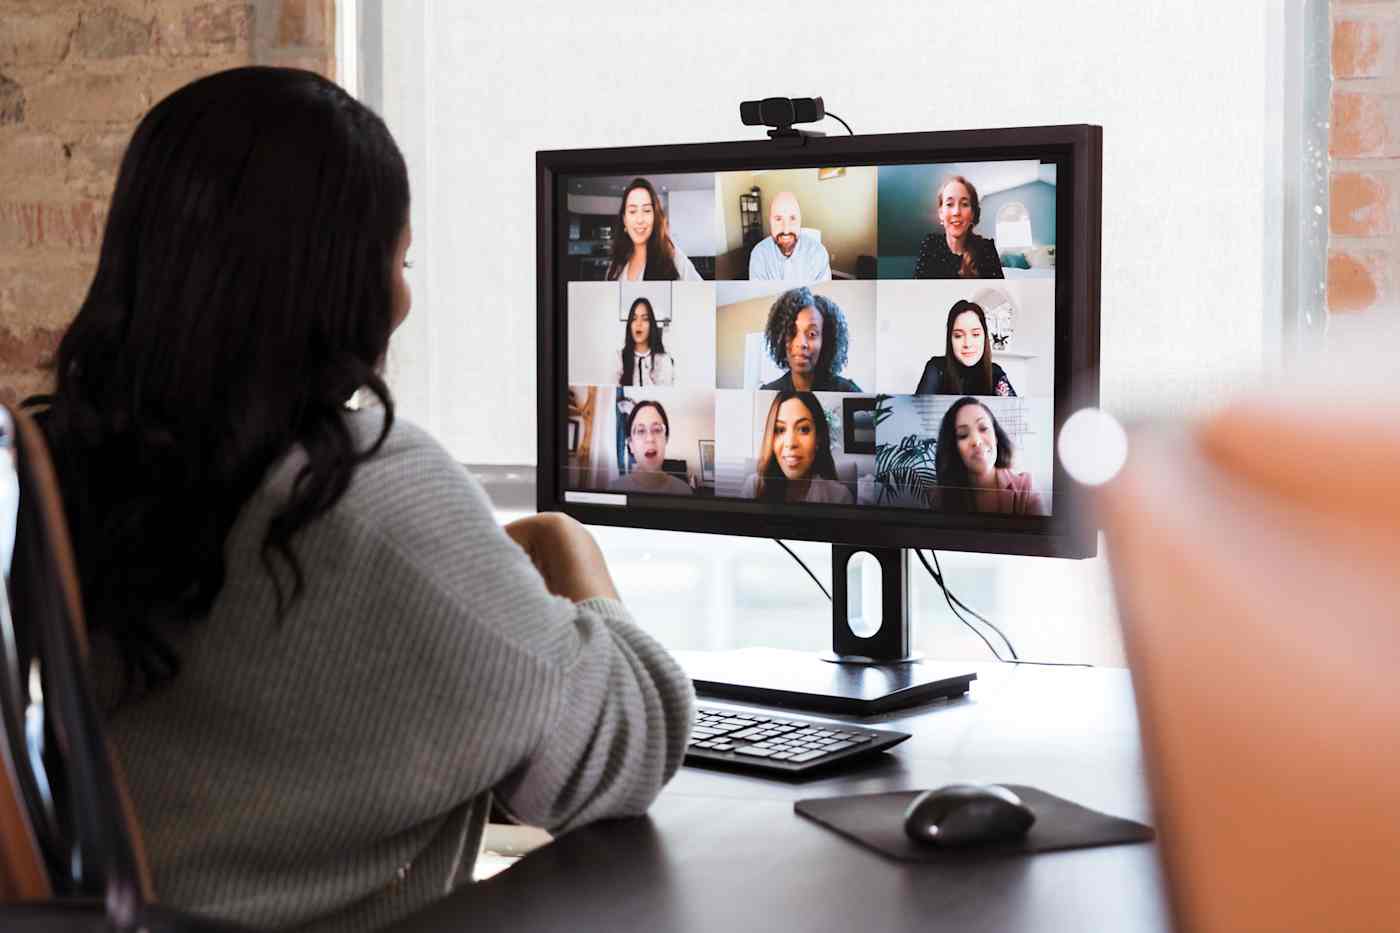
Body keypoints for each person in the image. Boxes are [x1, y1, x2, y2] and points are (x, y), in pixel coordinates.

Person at [24, 67, 693, 933]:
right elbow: (627, 743)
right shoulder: (366, 486)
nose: (406, 297)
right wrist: (570, 552)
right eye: (399, 259)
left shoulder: (70, 465)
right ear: (339, 279)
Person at [931, 397, 1046, 515]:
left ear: (996, 436)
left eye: (983, 428)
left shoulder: (1025, 488)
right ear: (953, 448)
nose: (976, 441)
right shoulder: (940, 496)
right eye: (963, 435)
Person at [740, 389, 853, 504]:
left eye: (803, 429)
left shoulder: (840, 497)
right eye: (780, 430)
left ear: (818, 438)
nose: (790, 443)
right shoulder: (754, 487)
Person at [758, 286, 862, 392]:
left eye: (812, 334)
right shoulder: (767, 393)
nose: (801, 343)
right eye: (792, 332)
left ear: (825, 340)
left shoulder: (849, 393)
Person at [605, 177, 702, 282]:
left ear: (655, 217)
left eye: (646, 210)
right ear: (624, 220)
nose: (640, 220)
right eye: (632, 211)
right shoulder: (616, 265)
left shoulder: (673, 258)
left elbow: (703, 295)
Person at [914, 299, 1017, 396]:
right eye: (958, 336)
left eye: (975, 334)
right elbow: (917, 412)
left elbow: (1015, 410)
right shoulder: (936, 368)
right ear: (950, 339)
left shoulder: (995, 373)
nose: (967, 344)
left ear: (985, 336)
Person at [913, 175, 1004, 279]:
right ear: (941, 213)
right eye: (949, 204)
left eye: (964, 204)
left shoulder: (987, 249)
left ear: (972, 214)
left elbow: (997, 293)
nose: (956, 212)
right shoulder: (930, 244)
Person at [610, 400, 693, 495]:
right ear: (631, 445)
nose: (650, 439)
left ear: (666, 439)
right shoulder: (614, 489)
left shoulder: (684, 491)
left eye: (657, 430)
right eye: (641, 431)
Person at [747, 191, 832, 282]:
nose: (786, 230)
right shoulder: (759, 255)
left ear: (800, 220)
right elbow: (759, 294)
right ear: (770, 222)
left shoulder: (818, 254)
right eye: (778, 219)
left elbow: (822, 293)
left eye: (792, 218)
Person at [613, 297, 675, 386]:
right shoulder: (619, 358)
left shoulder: (663, 359)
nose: (639, 323)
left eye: (645, 319)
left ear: (651, 325)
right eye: (634, 318)